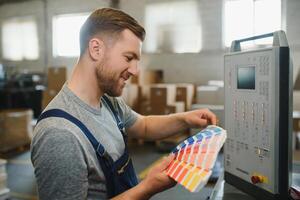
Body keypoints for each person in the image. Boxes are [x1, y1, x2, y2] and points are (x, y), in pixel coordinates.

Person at [31, 8, 217, 200]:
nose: (136, 71)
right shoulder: (60, 134)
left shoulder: (109, 102)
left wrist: (185, 119)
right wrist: (147, 188)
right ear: (96, 49)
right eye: (129, 58)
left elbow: (144, 126)